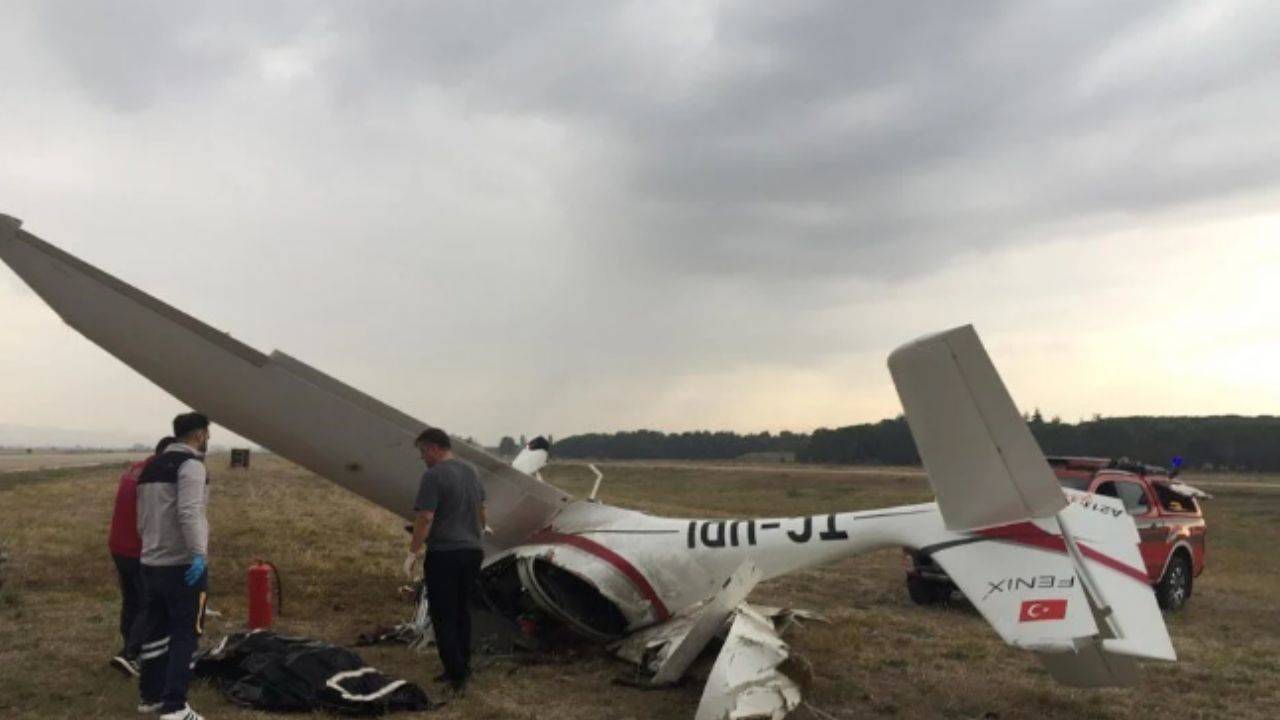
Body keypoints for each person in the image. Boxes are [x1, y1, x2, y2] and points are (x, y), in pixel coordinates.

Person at [135, 413, 212, 720]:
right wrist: (199, 554)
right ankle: (175, 706)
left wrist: (149, 547)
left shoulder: (150, 466)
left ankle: (150, 696)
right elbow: (191, 512)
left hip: (151, 561)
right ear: (200, 434)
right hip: (182, 565)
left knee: (155, 631)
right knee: (186, 633)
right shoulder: (191, 465)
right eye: (207, 433)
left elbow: (141, 517)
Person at [408, 427, 486, 694]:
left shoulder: (433, 476)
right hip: (473, 552)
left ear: (432, 448)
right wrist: (477, 532)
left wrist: (412, 551)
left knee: (443, 614)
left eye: (422, 452)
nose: (422, 458)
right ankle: (462, 665)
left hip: (444, 554)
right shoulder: (472, 471)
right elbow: (481, 511)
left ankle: (457, 675)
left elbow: (425, 518)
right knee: (463, 611)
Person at [108, 435, 175, 678]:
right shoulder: (156, 475)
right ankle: (130, 654)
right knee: (150, 603)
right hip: (138, 550)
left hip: (118, 546)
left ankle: (128, 648)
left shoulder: (135, 468)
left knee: (132, 600)